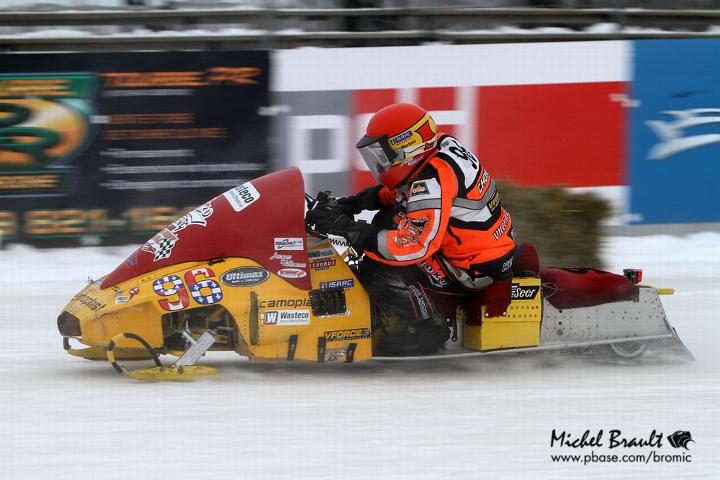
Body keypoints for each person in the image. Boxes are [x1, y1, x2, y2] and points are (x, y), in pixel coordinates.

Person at [305, 103, 518, 356]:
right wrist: (353, 203)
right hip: (479, 246)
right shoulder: (441, 148)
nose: (380, 162)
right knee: (386, 220)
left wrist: (348, 229)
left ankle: (425, 330)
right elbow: (406, 193)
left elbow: (412, 247)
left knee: (379, 264)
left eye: (385, 154)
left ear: (408, 148)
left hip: (471, 268)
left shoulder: (433, 181)